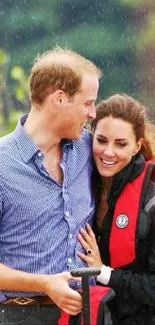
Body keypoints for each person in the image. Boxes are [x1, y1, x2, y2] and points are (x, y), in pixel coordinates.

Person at [0, 46, 101, 324]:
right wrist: (44, 284)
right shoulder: (1, 165)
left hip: (88, 313)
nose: (93, 113)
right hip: (21, 315)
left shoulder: (89, 148)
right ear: (60, 99)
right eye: (87, 103)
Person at [77, 94, 155, 325]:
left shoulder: (151, 201)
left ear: (137, 146)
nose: (108, 152)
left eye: (121, 144)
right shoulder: (82, 184)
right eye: (101, 140)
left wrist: (102, 272)